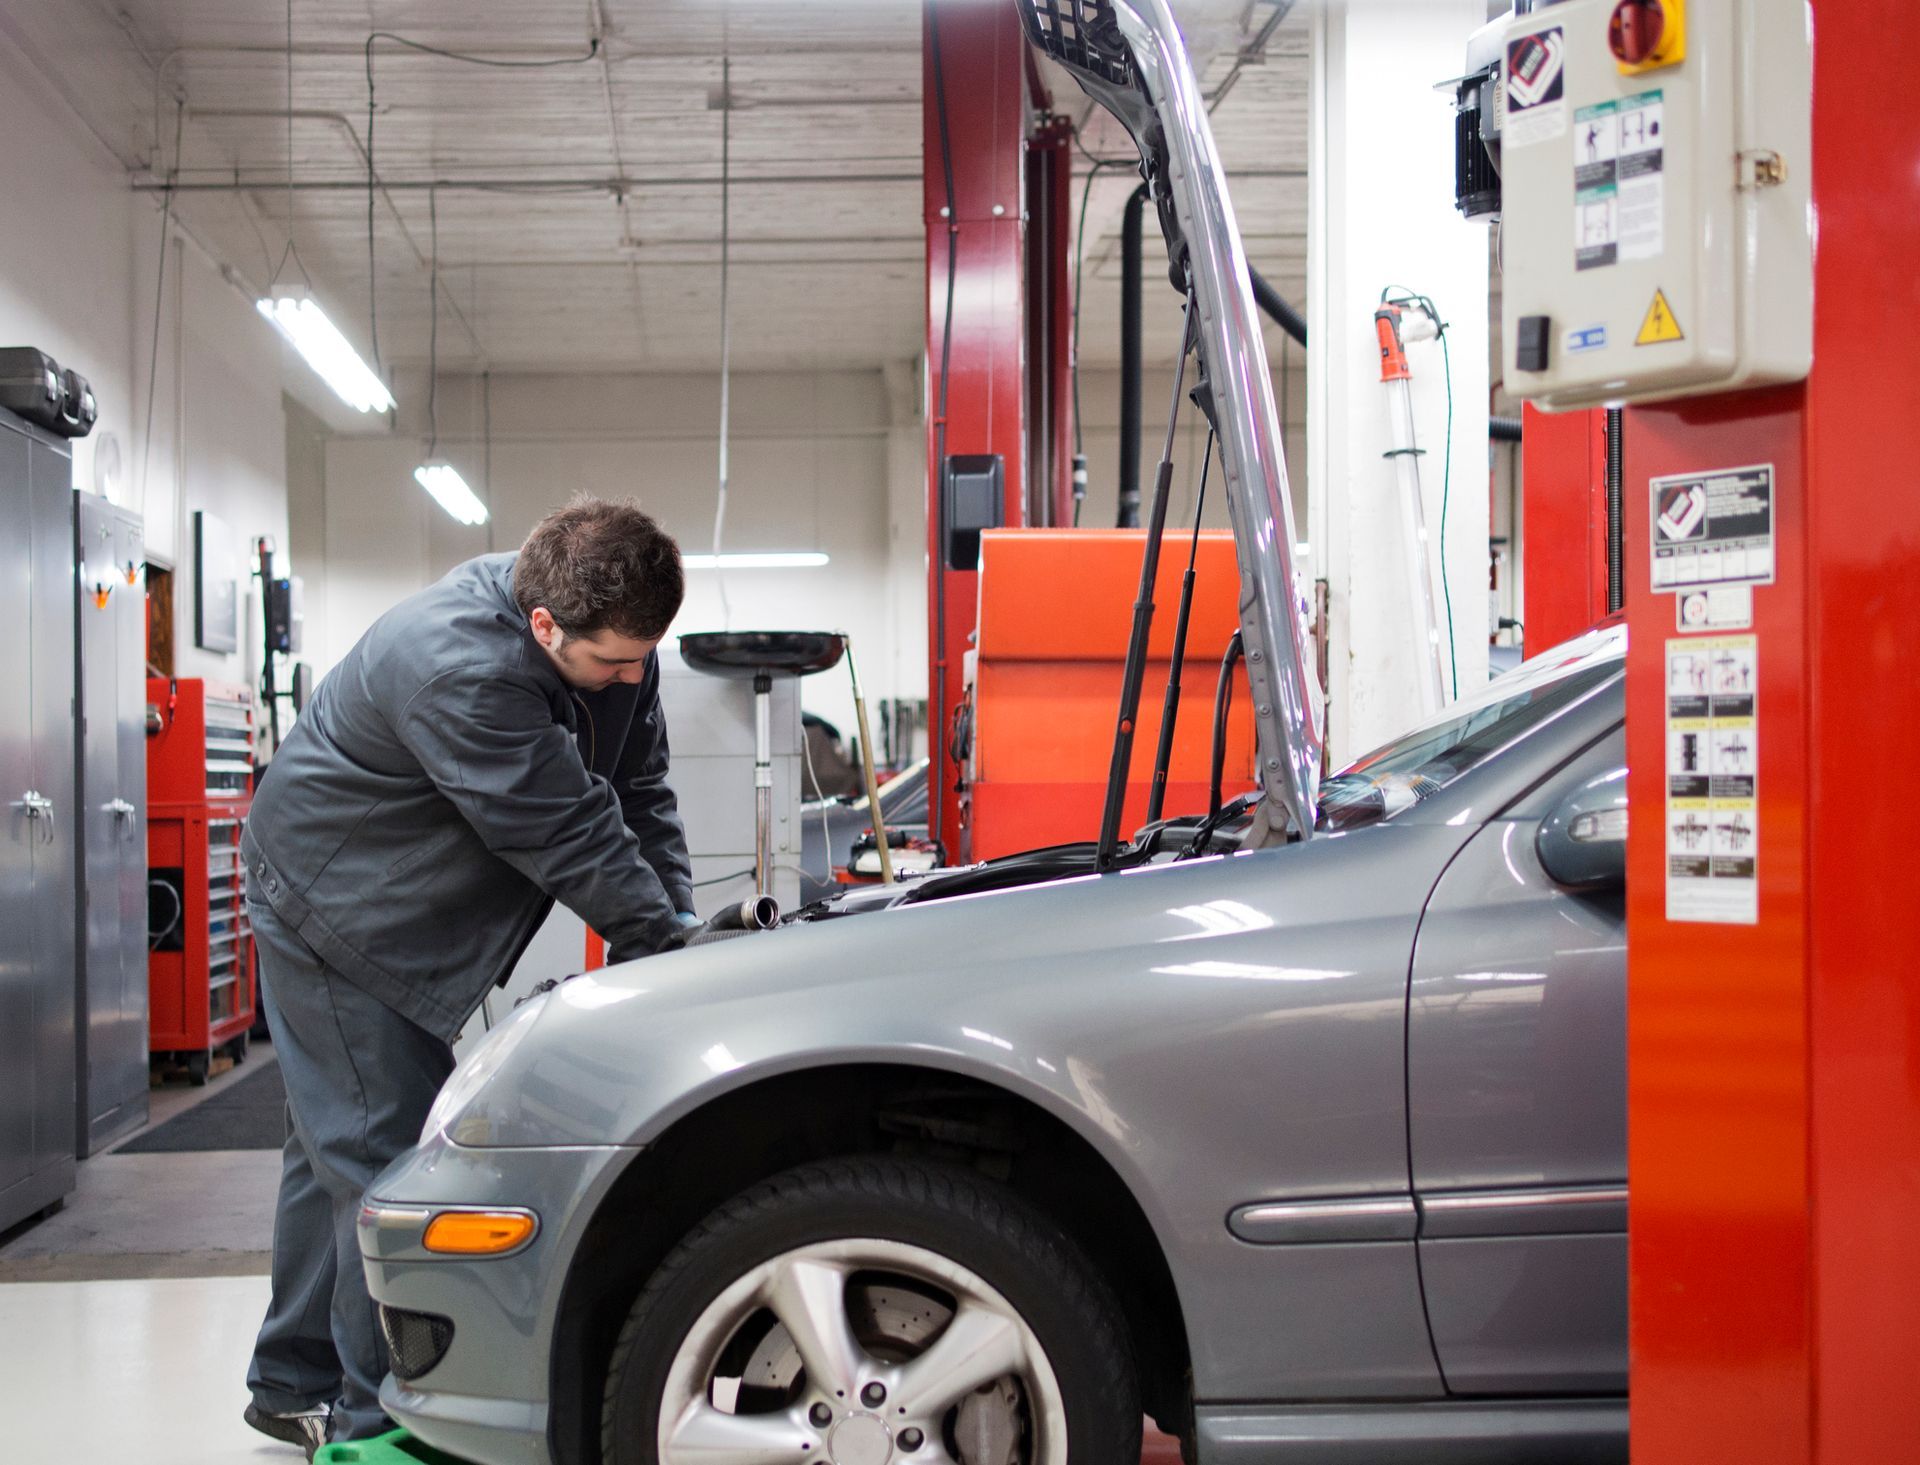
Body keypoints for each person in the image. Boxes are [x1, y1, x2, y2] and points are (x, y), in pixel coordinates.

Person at [239, 495, 701, 1456]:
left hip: (405, 891)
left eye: (642, 657)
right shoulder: (457, 668)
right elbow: (569, 830)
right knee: (378, 1155)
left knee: (325, 1142)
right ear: (543, 626)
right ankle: (381, 1424)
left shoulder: (609, 632)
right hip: (337, 904)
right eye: (613, 660)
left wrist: (681, 931)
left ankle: (290, 1380)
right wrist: (661, 947)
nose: (631, 676)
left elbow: (640, 792)